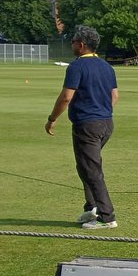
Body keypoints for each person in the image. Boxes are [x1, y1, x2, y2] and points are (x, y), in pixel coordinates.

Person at [45, 27, 119, 230]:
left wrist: (52, 119)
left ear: (81, 44)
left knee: (92, 170)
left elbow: (66, 97)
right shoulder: (107, 66)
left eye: (73, 41)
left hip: (87, 125)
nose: (72, 45)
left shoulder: (76, 67)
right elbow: (114, 97)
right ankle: (92, 207)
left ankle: (107, 216)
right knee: (85, 166)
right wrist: (101, 112)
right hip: (106, 123)